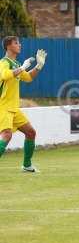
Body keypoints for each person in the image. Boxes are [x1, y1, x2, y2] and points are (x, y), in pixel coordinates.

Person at [0, 36, 47, 172]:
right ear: (8, 46)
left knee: (31, 133)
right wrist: (22, 67)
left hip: (14, 109)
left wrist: (39, 66)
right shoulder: (4, 62)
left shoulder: (16, 64)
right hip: (3, 107)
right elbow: (4, 75)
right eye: (16, 43)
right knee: (7, 135)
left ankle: (26, 165)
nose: (19, 45)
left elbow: (28, 77)